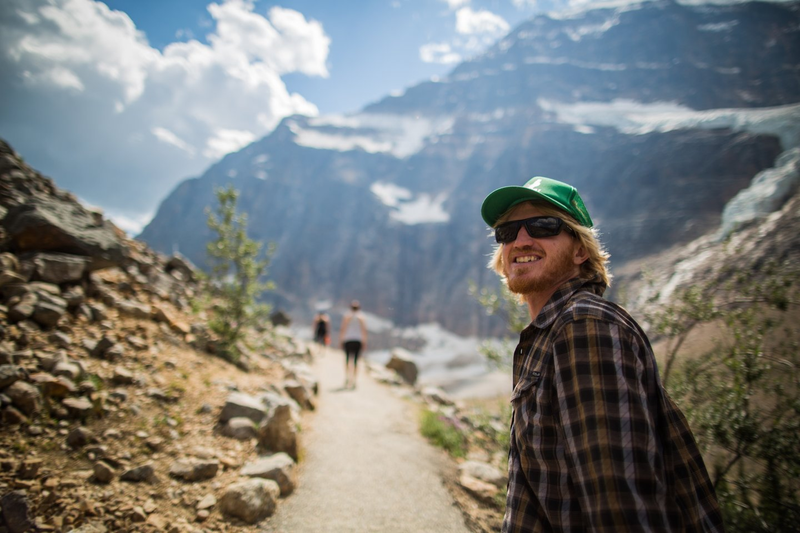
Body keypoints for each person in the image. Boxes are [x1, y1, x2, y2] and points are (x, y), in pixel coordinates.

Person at [481, 176, 724, 532]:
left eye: (543, 225)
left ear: (581, 250)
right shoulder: (553, 331)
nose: (521, 240)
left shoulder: (585, 327)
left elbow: (619, 502)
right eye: (507, 232)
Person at [339, 300, 368, 389]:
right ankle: (354, 380)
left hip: (348, 339)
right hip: (358, 340)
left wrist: (341, 340)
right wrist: (364, 342)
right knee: (356, 361)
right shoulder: (361, 317)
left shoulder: (347, 316)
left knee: (347, 360)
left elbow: (343, 329)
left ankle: (347, 377)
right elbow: (364, 330)